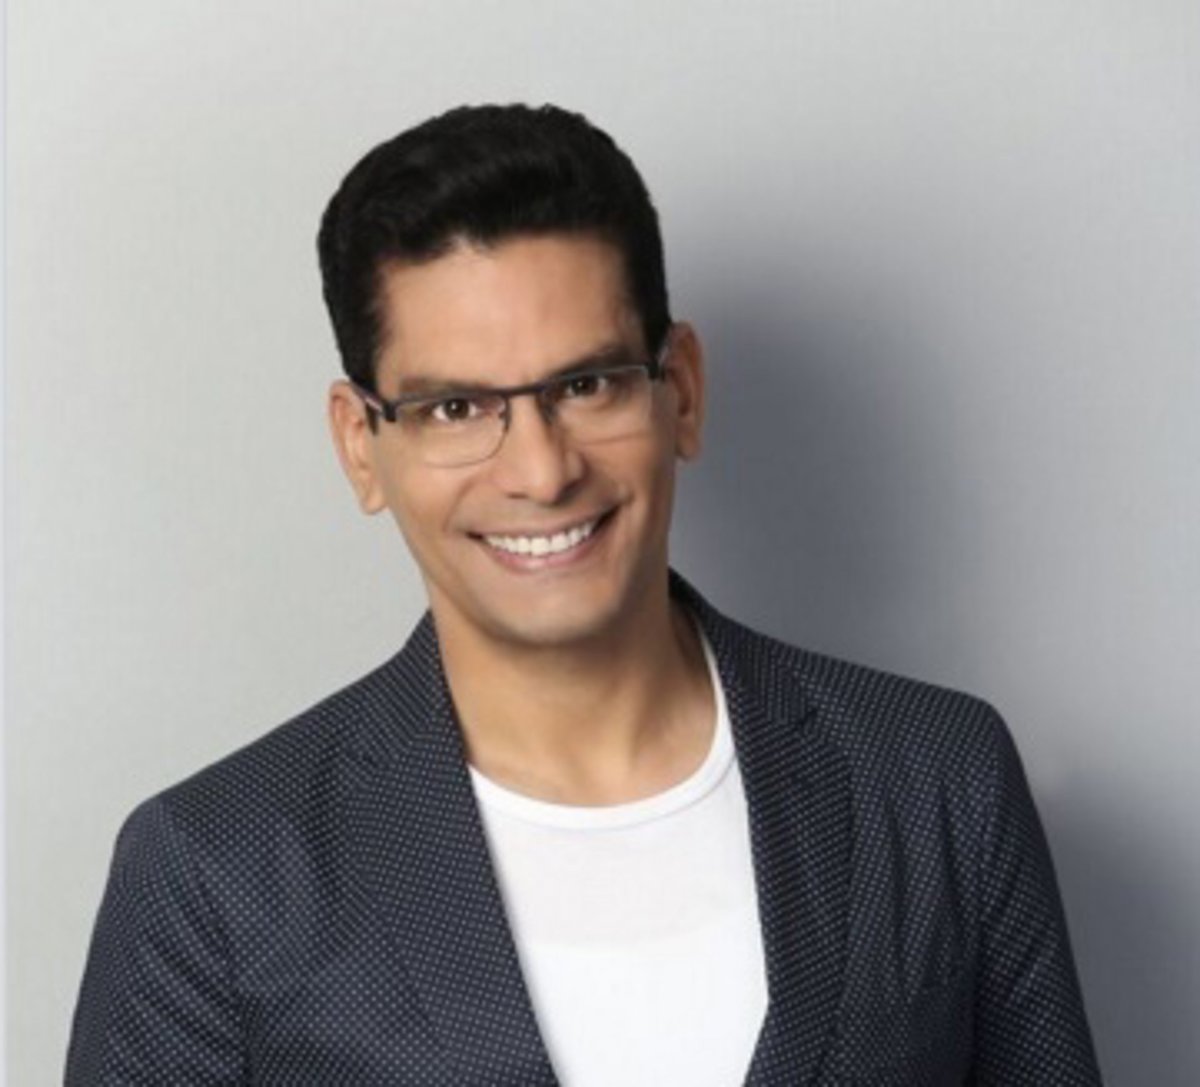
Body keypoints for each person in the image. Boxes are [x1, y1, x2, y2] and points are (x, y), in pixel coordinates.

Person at [66, 103, 1102, 1085]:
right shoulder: (217, 868)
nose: (541, 470)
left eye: (586, 385)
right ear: (361, 446)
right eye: (455, 407)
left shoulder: (935, 779)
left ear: (680, 390)